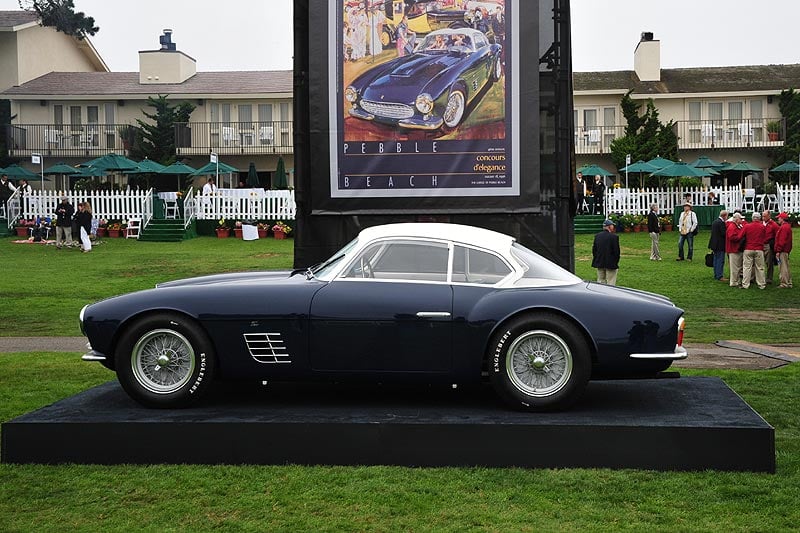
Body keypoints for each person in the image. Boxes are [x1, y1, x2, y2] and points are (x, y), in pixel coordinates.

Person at [741, 211, 766, 290]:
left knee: (747, 267)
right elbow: (765, 236)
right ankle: (761, 284)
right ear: (759, 218)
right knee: (760, 267)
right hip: (759, 249)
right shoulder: (762, 227)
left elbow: (741, 235)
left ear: (752, 218)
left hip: (748, 248)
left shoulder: (747, 226)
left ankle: (745, 284)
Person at [592, 219, 620, 286]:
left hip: (600, 261)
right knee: (611, 281)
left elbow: (594, 250)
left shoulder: (597, 236)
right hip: (611, 263)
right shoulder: (614, 237)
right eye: (612, 225)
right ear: (609, 226)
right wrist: (615, 261)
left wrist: (597, 259)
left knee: (600, 281)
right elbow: (616, 252)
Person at [726, 212, 746, 287]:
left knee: (737, 267)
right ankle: (734, 282)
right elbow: (732, 237)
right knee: (735, 267)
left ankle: (736, 281)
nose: (742, 220)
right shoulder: (732, 227)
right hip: (733, 249)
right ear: (737, 219)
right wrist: (741, 235)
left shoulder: (736, 226)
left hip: (736, 249)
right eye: (740, 219)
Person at [708, 210, 729, 281]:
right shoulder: (721, 223)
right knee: (720, 260)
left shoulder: (715, 222)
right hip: (720, 244)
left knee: (716, 260)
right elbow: (723, 233)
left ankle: (716, 274)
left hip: (714, 244)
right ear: (724, 216)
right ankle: (720, 276)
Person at [774, 212, 793, 288]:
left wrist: (778, 250)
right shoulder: (787, 227)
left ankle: (784, 283)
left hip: (783, 250)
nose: (778, 219)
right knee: (786, 266)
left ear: (782, 219)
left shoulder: (784, 228)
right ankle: (788, 282)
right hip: (785, 250)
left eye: (779, 218)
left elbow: (782, 240)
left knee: (783, 267)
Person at [762, 210, 778, 284]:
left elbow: (777, 235)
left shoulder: (774, 225)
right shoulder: (761, 223)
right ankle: (760, 277)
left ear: (769, 216)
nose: (763, 218)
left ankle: (769, 278)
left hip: (768, 244)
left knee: (769, 262)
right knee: (760, 262)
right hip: (761, 244)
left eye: (764, 216)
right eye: (762, 216)